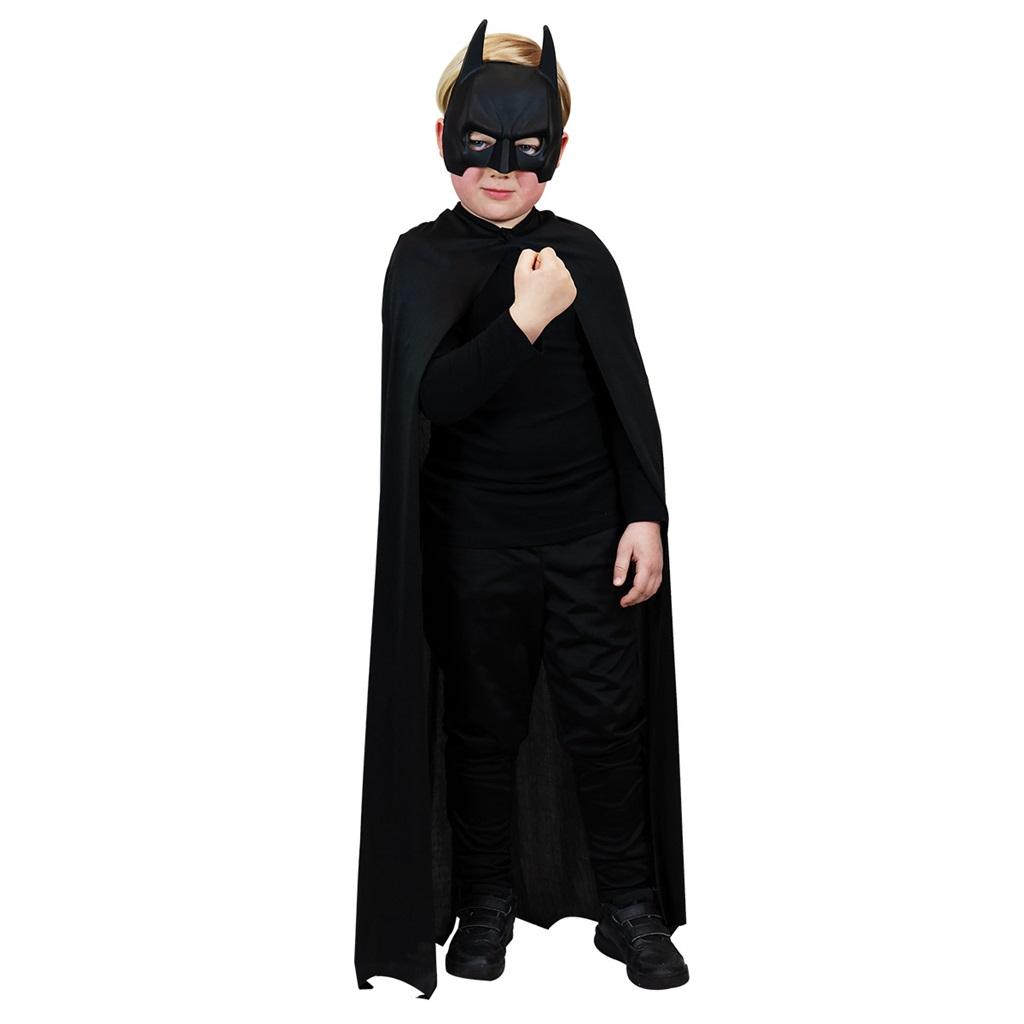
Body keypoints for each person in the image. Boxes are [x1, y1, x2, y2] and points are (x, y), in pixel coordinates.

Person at [355, 20, 689, 998]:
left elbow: (626, 399)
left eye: (525, 149)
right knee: (483, 725)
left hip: (590, 537)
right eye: (479, 145)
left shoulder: (583, 255)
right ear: (443, 139)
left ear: (557, 151)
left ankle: (629, 904)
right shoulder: (420, 261)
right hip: (474, 544)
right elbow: (437, 397)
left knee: (607, 720)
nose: (500, 169)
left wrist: (644, 514)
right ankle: (486, 897)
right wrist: (523, 320)